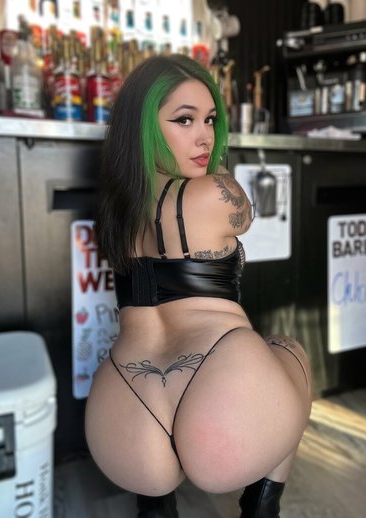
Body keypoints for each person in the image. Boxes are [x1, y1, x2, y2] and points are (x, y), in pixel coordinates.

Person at [85, 54, 312, 518]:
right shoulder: (212, 193)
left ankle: (155, 503)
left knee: (152, 491)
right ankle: (262, 506)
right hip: (217, 390)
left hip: (124, 407)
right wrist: (215, 171)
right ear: (144, 128)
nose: (205, 136)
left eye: (210, 119)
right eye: (184, 120)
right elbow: (244, 219)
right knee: (290, 350)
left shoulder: (113, 213)